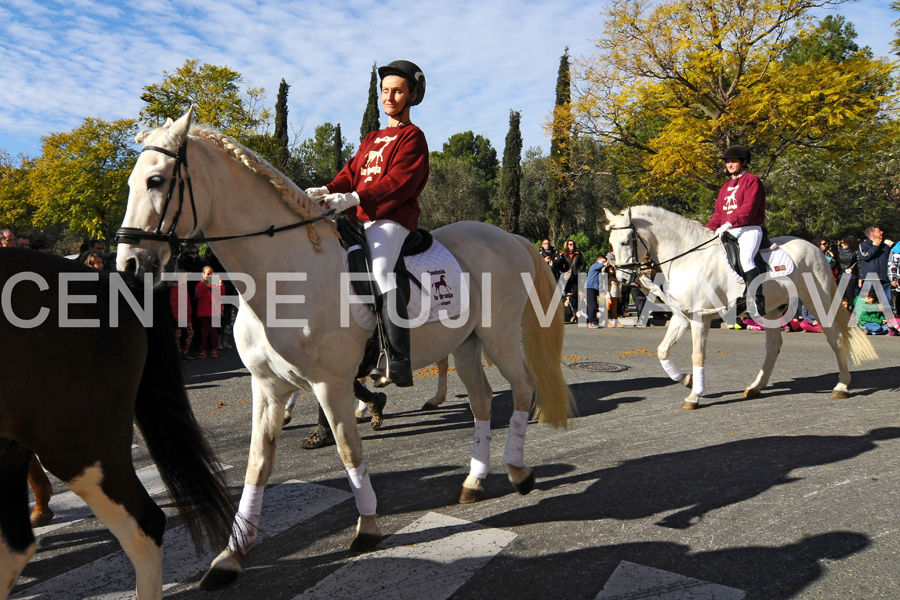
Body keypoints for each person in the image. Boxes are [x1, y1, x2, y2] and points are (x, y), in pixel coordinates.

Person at [305, 60, 429, 387]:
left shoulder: (413, 138)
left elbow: (399, 182)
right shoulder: (372, 137)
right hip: (359, 218)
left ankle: (398, 359)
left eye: (397, 91)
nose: (389, 97)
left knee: (382, 271)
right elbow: (351, 173)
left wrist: (356, 198)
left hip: (391, 218)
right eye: (385, 91)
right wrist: (329, 189)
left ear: (412, 95)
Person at [706, 145, 767, 318]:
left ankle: (757, 300)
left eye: (733, 161)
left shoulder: (752, 181)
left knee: (746, 259)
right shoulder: (725, 187)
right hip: (727, 230)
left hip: (749, 229)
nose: (730, 164)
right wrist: (705, 231)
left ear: (744, 162)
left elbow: (749, 208)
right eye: (727, 162)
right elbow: (718, 214)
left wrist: (730, 222)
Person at [195, 265, 225, 358]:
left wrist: (221, 286)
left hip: (214, 311)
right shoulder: (199, 285)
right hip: (204, 311)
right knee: (205, 331)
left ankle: (214, 349)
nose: (210, 276)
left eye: (211, 274)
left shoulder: (216, 284)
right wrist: (204, 286)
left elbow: (222, 296)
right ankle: (203, 350)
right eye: (208, 274)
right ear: (203, 275)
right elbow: (198, 295)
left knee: (214, 331)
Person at [858, 225, 891, 309]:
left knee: (887, 300)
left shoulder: (885, 247)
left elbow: (889, 261)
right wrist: (875, 246)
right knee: (867, 300)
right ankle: (863, 319)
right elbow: (865, 256)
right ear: (872, 233)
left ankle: (888, 320)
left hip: (884, 278)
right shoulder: (863, 245)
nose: (881, 232)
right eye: (879, 231)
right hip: (870, 278)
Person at [554, 239, 586, 323]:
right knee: (567, 295)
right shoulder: (563, 255)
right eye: (570, 244)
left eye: (573, 244)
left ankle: (576, 312)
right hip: (567, 278)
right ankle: (573, 312)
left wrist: (579, 271)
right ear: (567, 246)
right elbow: (559, 265)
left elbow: (583, 264)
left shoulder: (578, 254)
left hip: (576, 278)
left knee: (576, 295)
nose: (572, 246)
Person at [584, 255, 608, 328]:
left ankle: (595, 319)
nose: (604, 263)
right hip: (590, 288)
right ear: (598, 261)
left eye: (605, 262)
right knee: (592, 305)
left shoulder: (600, 270)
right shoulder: (594, 266)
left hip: (596, 288)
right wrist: (603, 264)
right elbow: (598, 266)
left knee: (600, 303)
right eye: (603, 261)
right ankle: (591, 321)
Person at [836, 235, 859, 306]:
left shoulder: (855, 253)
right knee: (841, 296)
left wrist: (852, 269)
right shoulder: (838, 253)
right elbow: (837, 264)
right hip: (841, 275)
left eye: (844, 242)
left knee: (850, 295)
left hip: (851, 277)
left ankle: (851, 311)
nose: (842, 244)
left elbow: (859, 264)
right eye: (841, 243)